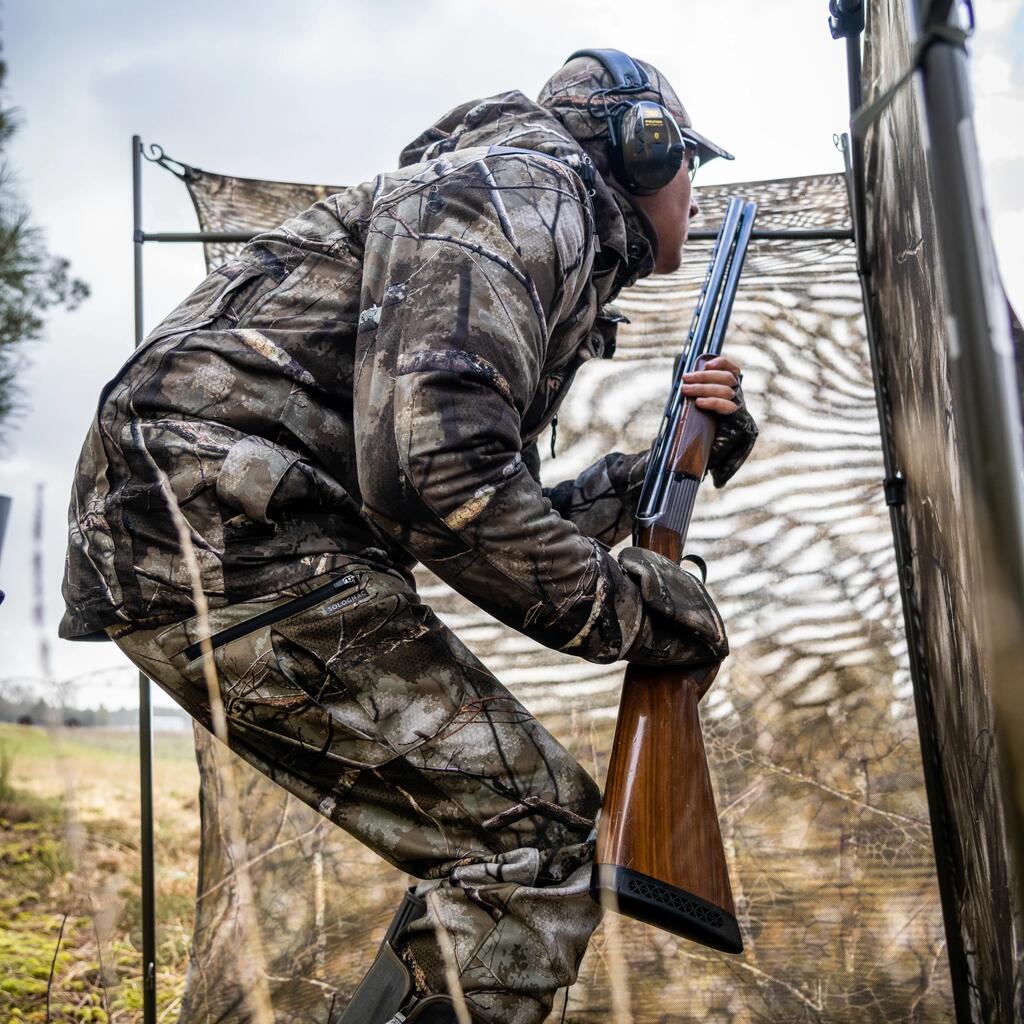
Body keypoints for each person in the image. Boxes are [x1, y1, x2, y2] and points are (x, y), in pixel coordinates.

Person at [60, 49, 757, 1024]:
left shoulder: (503, 203)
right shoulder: (525, 191)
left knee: (499, 839)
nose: (694, 187)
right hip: (238, 540)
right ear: (641, 149)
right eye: (689, 159)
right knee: (535, 844)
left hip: (220, 531)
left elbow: (453, 497)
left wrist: (651, 476)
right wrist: (640, 611)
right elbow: (439, 487)